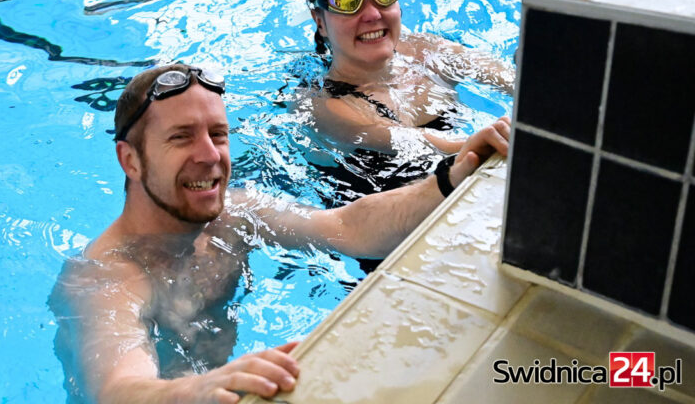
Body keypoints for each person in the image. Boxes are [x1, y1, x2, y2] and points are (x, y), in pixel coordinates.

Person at [49, 63, 510, 404]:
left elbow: (347, 228)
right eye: (181, 137)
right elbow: (118, 389)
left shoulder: (232, 215)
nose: (210, 155)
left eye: (218, 133)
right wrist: (201, 389)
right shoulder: (107, 276)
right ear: (130, 159)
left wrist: (452, 175)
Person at [296, 0, 515, 204]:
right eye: (347, 1)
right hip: (383, 227)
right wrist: (503, 140)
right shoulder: (325, 105)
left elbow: (515, 82)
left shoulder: (430, 52)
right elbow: (424, 144)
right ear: (320, 21)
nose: (373, 14)